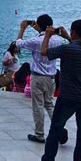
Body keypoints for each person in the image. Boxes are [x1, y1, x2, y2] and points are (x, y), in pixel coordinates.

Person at [41, 20, 81, 161]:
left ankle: (48, 159)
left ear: (73, 32)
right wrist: (68, 37)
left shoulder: (67, 49)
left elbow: (44, 52)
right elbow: (77, 46)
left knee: (56, 129)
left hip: (67, 97)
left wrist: (47, 35)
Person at [16, 14, 65, 143]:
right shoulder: (58, 40)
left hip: (38, 77)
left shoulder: (36, 41)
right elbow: (45, 34)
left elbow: (19, 43)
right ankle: (59, 129)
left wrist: (22, 29)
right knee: (49, 104)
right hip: (51, 77)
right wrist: (37, 27)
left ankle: (39, 134)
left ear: (39, 25)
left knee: (38, 106)